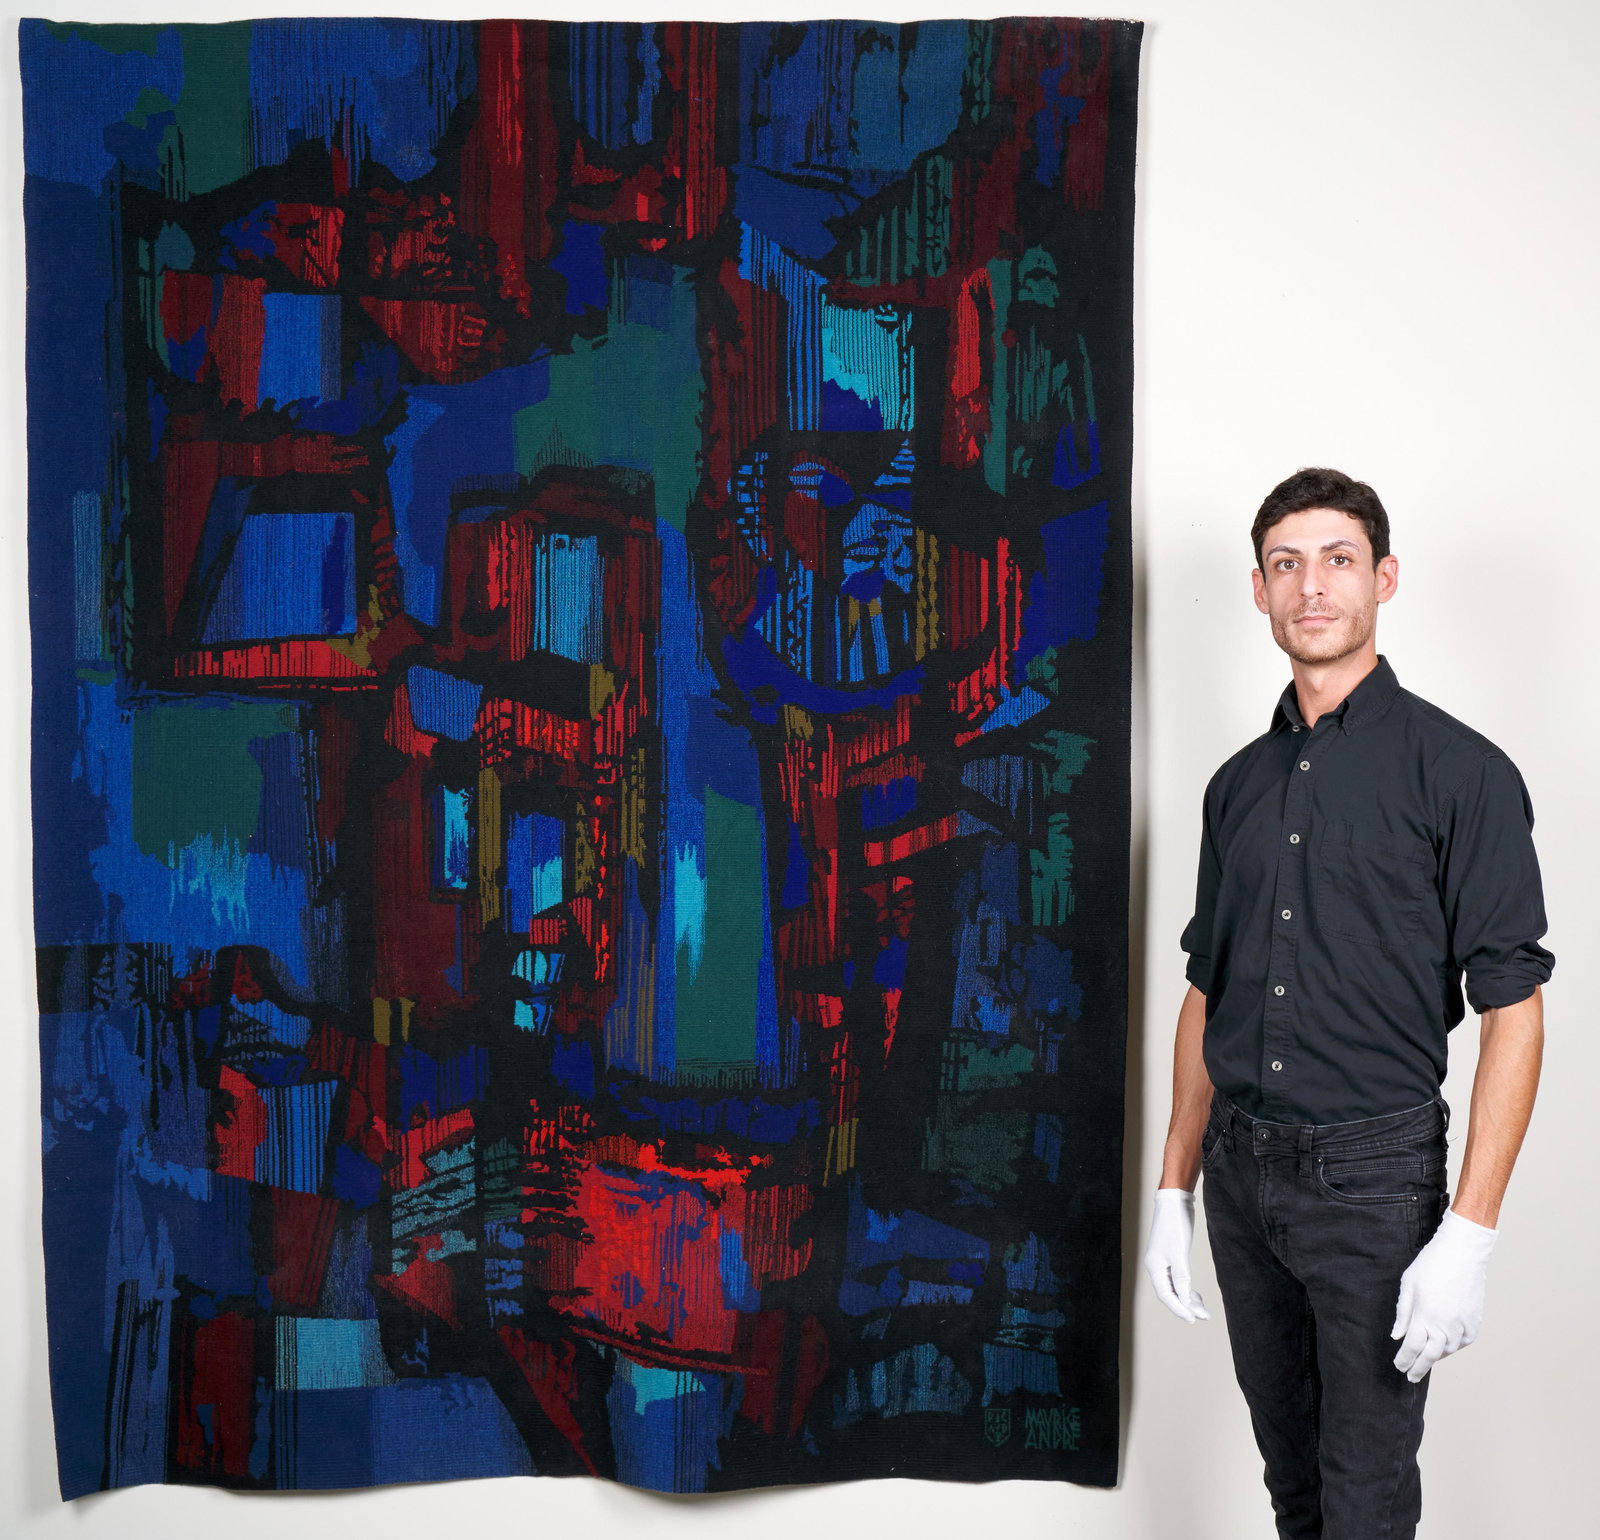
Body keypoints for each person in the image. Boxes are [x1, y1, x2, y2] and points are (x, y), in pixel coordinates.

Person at [1142, 468, 1552, 1539]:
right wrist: (1174, 1185)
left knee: (1364, 1507)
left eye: (1336, 559)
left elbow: (1513, 1008)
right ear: (1258, 590)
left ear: (1384, 578)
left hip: (1373, 1182)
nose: (1310, 585)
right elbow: (1206, 987)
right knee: (1295, 1491)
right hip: (1239, 1175)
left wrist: (1470, 1232)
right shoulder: (1235, 786)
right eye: (1286, 564)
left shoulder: (1462, 772)